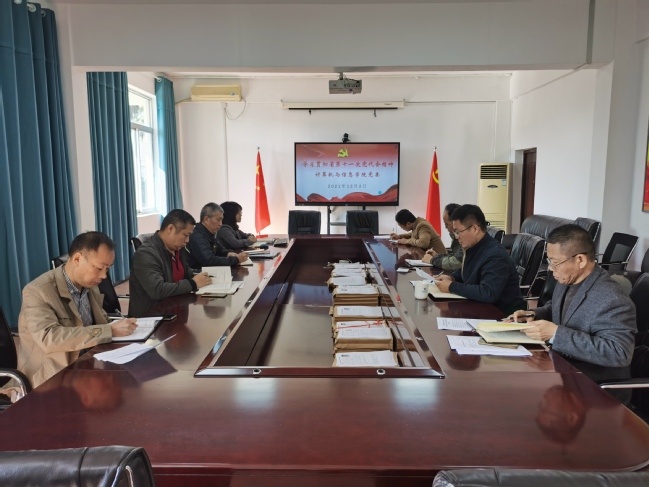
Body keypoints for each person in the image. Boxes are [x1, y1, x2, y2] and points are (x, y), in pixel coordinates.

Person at [510, 224, 636, 381]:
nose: (550, 268)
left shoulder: (612, 298)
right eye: (549, 261)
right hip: (560, 370)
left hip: (592, 384)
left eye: (555, 262)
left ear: (580, 260)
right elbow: (557, 309)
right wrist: (533, 314)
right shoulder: (568, 280)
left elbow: (619, 353)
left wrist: (556, 334)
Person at [16, 232, 137, 387]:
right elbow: (49, 338)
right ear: (78, 259)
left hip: (88, 364)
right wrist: (109, 330)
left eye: (107, 269)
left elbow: (101, 321)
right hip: (52, 377)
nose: (104, 276)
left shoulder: (89, 285)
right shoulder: (37, 291)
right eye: (99, 268)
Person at [435, 204, 525, 314]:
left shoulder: (495, 255)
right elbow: (470, 271)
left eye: (458, 232)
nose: (456, 237)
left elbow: (488, 293)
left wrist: (451, 286)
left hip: (503, 315)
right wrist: (451, 277)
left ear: (474, 229)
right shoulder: (474, 246)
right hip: (481, 308)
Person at [129, 209, 212, 317]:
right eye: (185, 235)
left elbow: (186, 272)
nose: (187, 240)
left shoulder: (177, 248)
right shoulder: (146, 254)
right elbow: (157, 290)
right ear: (170, 229)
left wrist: (205, 275)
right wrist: (193, 283)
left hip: (176, 311)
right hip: (153, 318)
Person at [186, 202, 248, 268]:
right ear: (206, 219)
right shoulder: (197, 236)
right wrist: (236, 260)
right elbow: (208, 260)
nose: (220, 224)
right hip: (198, 272)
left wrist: (228, 253)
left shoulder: (209, 233)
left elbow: (220, 250)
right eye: (218, 220)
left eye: (221, 220)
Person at [422, 203, 463, 270]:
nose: (446, 228)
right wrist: (438, 256)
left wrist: (432, 260)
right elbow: (456, 255)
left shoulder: (466, 237)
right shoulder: (456, 235)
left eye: (447, 224)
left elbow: (457, 262)